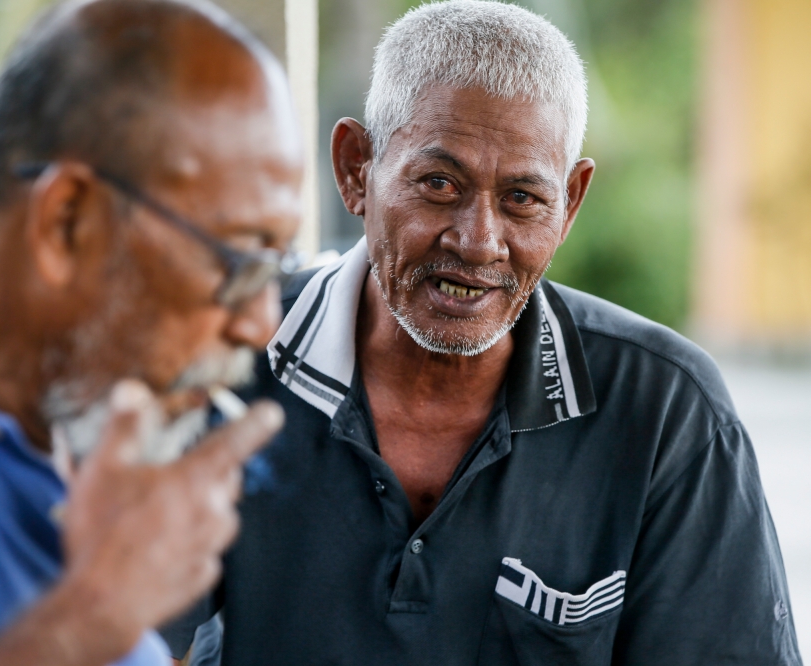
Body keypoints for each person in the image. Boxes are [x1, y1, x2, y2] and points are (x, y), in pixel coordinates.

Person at [163, 2, 804, 664]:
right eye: (439, 183)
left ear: (571, 203)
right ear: (357, 168)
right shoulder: (218, 353)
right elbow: (114, 637)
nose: (478, 242)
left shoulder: (665, 409)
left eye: (523, 199)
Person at [0, 0, 303, 664]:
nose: (259, 323)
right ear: (68, 221)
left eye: (278, 270)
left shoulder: (50, 441)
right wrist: (90, 616)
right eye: (240, 260)